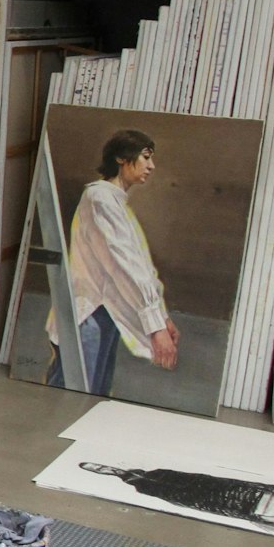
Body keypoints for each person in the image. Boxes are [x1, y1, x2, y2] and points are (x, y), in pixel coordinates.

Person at [47, 129, 178, 395]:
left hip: (104, 314)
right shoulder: (100, 199)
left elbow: (139, 264)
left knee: (90, 399)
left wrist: (161, 317)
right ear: (121, 158)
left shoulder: (115, 202)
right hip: (87, 316)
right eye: (145, 157)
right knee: (71, 402)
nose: (151, 166)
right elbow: (124, 267)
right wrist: (155, 327)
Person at [79, 463, 274, 529]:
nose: (103, 469)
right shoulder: (143, 487)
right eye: (97, 470)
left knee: (231, 492)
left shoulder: (157, 473)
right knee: (223, 502)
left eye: (99, 466)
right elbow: (176, 497)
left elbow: (191, 478)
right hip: (209, 500)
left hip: (225, 489)